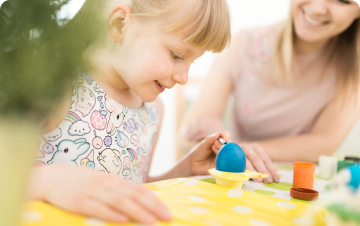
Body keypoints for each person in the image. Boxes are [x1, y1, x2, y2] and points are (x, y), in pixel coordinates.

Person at [27, 0, 231, 224]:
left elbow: (135, 187)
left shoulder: (153, 112)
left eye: (192, 63)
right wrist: (49, 181)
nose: (183, 77)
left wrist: (187, 168)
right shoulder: (56, 88)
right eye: (177, 55)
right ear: (120, 25)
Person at [179, 0, 360, 184]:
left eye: (342, 1)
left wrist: (239, 150)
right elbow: (185, 138)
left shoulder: (354, 72)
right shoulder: (245, 43)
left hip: (295, 188)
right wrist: (214, 141)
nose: (317, 8)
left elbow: (323, 143)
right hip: (236, 185)